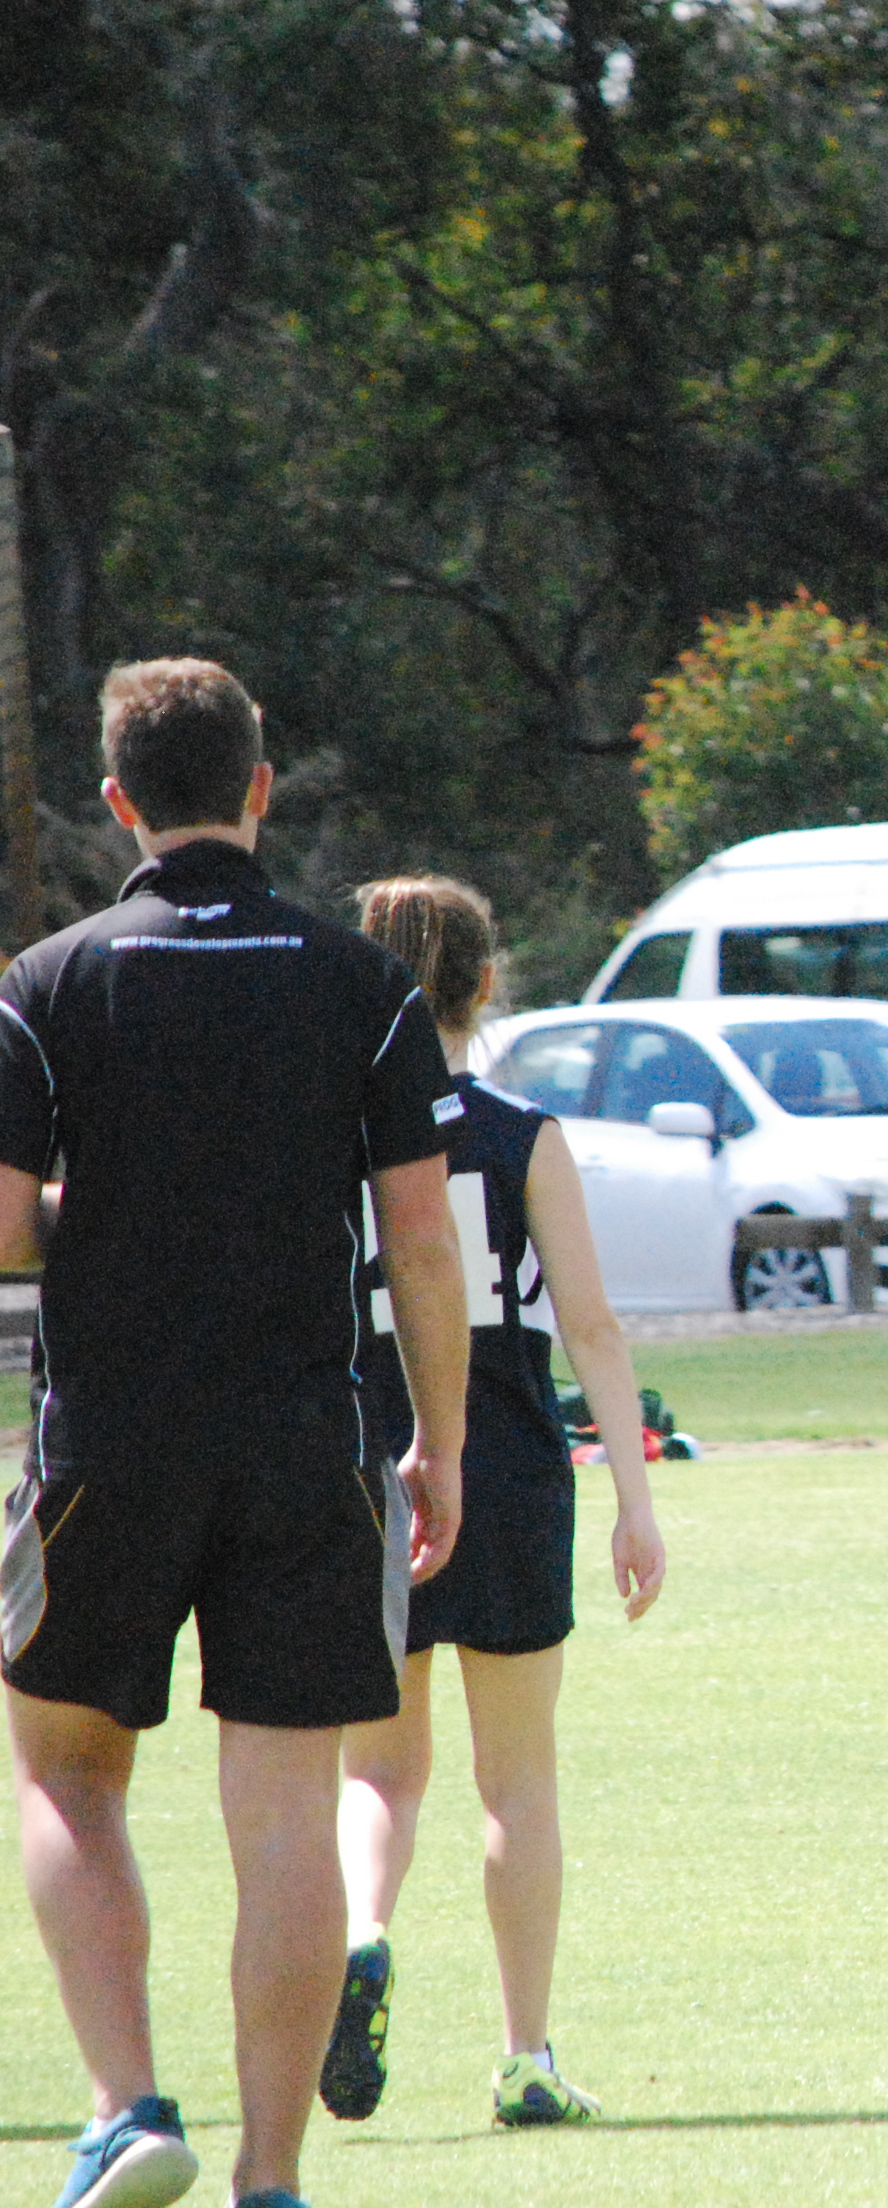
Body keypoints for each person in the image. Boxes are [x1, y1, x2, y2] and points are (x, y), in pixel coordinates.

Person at [0, 658, 467, 2208]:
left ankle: (129, 2109)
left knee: (67, 1777)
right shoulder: (366, 985)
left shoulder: (47, 983)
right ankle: (273, 2177)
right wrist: (443, 1445)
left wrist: (97, 1199)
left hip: (107, 1445)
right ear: (261, 789)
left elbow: (5, 1228)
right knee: (286, 1820)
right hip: (306, 1447)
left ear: (118, 802)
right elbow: (421, 1246)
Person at [322, 878, 668, 2131]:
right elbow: (593, 1329)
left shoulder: (330, 1138)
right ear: (484, 985)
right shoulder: (524, 1136)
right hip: (512, 1472)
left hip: (370, 1476)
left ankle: (362, 1938)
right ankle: (526, 2056)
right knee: (516, 1784)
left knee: (379, 1773)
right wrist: (636, 1503)